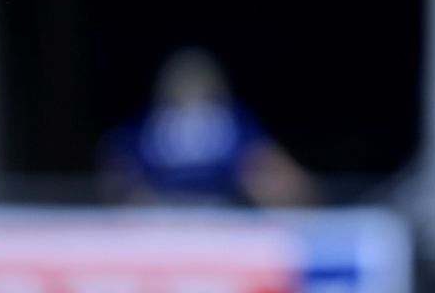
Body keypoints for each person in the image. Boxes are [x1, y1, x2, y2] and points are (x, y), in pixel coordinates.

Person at [102, 49, 314, 207]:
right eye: (183, 86)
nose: (190, 96)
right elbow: (118, 184)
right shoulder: (145, 128)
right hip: (162, 222)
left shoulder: (231, 125)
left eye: (197, 87)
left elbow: (279, 180)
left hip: (220, 218)